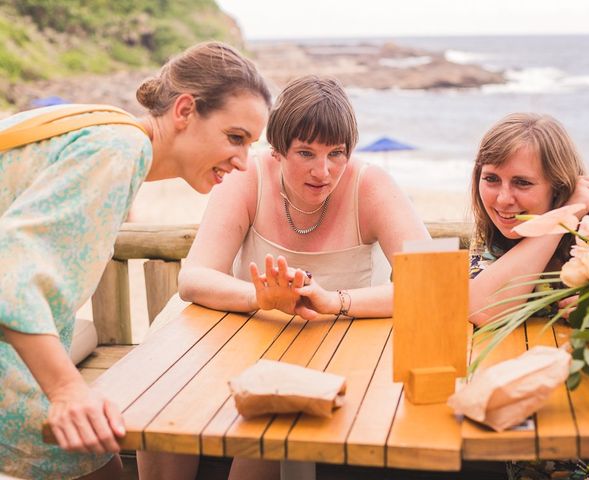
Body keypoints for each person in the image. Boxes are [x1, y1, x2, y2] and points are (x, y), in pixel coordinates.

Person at [0, 41, 270, 480]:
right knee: (87, 455)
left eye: (251, 144)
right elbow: (13, 274)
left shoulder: (108, 133)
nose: (243, 162)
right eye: (235, 137)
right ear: (184, 111)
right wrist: (68, 390)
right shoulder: (117, 148)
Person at [142, 75, 429, 480]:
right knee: (165, 393)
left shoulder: (372, 186)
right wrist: (261, 298)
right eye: (306, 153)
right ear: (276, 150)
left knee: (273, 419)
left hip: (344, 345)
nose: (323, 171)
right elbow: (194, 279)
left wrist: (336, 302)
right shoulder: (247, 178)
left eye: (337, 153)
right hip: (249, 336)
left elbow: (430, 287)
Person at [468, 112, 589, 479]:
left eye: (522, 183)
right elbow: (482, 308)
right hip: (540, 418)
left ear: (557, 184)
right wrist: (562, 216)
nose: (503, 198)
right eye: (491, 179)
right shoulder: (498, 234)